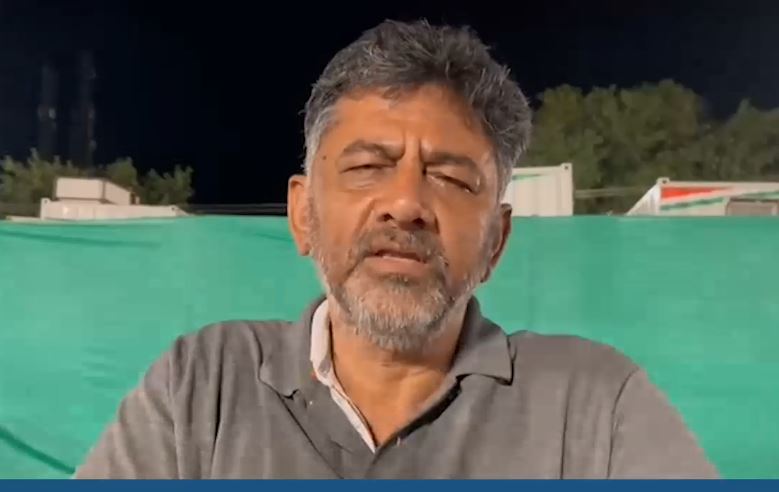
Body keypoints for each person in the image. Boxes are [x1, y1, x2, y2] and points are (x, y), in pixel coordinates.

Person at [76, 20, 718, 479]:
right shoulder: (201, 388)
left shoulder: (596, 408)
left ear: (496, 240)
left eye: (451, 177)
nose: (406, 202)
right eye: (367, 167)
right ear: (302, 214)